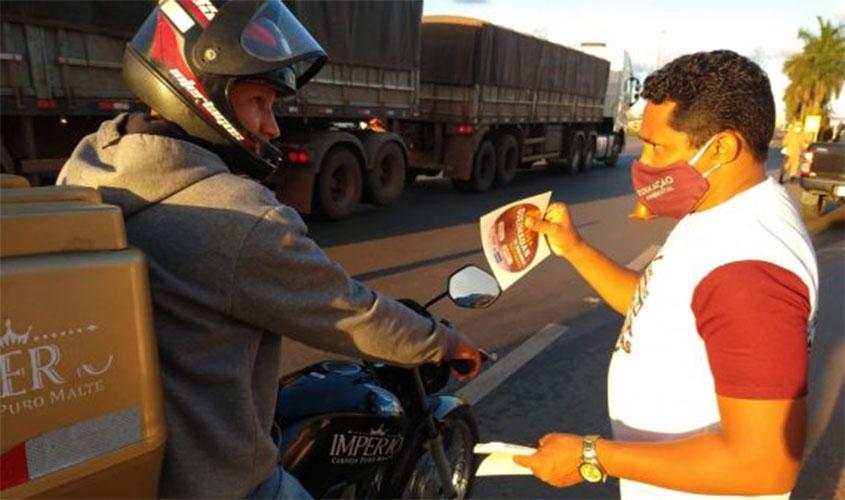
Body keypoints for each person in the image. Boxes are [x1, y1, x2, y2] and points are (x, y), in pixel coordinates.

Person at [56, 1, 480, 498]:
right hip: (216, 480)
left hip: (111, 464)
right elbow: (347, 312)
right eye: (258, 101)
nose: (272, 126)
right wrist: (445, 342)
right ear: (200, 92)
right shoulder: (241, 216)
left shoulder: (89, 168)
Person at [516, 50, 818, 498]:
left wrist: (591, 456)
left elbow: (764, 463)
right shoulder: (721, 210)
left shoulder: (748, 265)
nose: (645, 163)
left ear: (722, 147)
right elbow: (657, 307)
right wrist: (574, 250)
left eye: (658, 147)